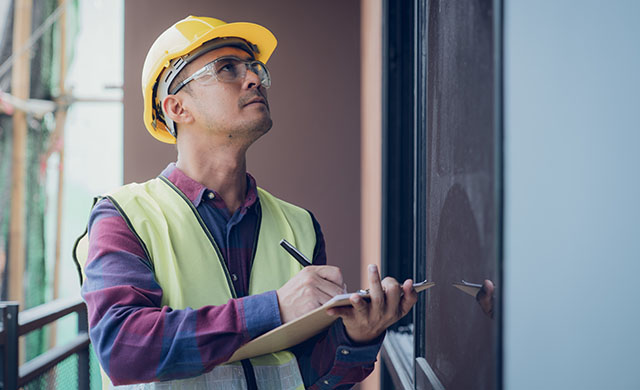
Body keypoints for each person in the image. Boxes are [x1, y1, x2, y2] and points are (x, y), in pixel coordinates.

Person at [76, 15, 418, 389]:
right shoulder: (123, 216)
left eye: (254, 68)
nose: (255, 78)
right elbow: (122, 347)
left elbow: (309, 376)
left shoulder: (300, 226)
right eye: (227, 69)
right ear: (177, 108)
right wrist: (274, 308)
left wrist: (357, 338)